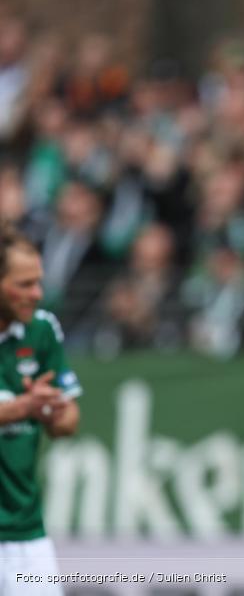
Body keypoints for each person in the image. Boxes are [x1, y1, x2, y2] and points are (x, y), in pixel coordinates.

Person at [0, 224, 82, 595]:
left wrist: (51, 411)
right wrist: (20, 408)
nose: (37, 294)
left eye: (38, 282)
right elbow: (19, 410)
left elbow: (69, 420)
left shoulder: (43, 330)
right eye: (23, 284)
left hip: (24, 531)